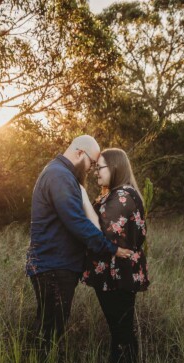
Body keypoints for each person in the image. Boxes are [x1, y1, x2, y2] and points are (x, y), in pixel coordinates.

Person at [25, 135, 132, 350]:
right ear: (79, 153)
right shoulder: (59, 176)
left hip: (55, 265)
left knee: (50, 327)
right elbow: (77, 223)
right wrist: (110, 248)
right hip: (54, 266)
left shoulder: (60, 174)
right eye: (91, 163)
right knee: (50, 331)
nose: (91, 169)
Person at [81, 148, 150, 363]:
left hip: (119, 274)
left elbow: (98, 230)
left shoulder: (123, 196)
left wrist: (81, 195)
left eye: (100, 168)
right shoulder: (116, 193)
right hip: (115, 273)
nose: (95, 173)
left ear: (115, 167)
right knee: (119, 328)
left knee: (121, 330)